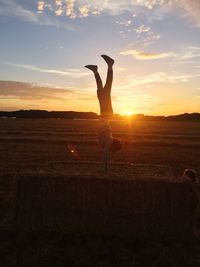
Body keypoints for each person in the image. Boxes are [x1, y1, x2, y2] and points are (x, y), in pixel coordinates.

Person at [85, 55, 122, 172]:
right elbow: (106, 155)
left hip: (104, 114)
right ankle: (110, 65)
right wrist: (106, 170)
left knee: (100, 91)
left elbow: (108, 154)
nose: (111, 151)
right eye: (113, 150)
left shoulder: (108, 142)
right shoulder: (108, 143)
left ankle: (95, 71)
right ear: (113, 146)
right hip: (107, 113)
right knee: (107, 87)